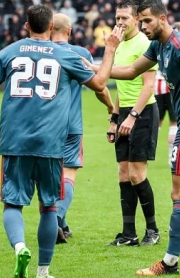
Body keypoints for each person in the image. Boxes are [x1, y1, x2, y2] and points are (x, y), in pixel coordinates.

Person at [0, 4, 123, 278]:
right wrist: (109, 49)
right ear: (51, 27)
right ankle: (43, 270)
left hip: (15, 142)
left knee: (12, 204)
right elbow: (99, 85)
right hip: (52, 143)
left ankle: (19, 247)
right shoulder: (66, 54)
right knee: (49, 206)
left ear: (26, 25)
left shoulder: (9, 52)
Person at [86, 0, 180, 276]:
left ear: (163, 18)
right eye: (142, 20)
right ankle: (170, 260)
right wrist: (96, 68)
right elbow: (130, 72)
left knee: (179, 194)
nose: (143, 25)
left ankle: (169, 263)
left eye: (147, 20)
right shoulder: (157, 45)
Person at [51, 13, 114, 244]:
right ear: (69, 31)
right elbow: (99, 87)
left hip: (43, 127)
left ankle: (63, 225)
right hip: (71, 125)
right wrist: (110, 107)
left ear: (49, 30)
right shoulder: (80, 53)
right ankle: (56, 219)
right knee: (68, 175)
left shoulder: (39, 52)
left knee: (51, 177)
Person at [105, 0, 160, 247]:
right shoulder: (118, 45)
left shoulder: (146, 44)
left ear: (136, 19)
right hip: (126, 113)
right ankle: (129, 234)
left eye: (124, 18)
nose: (120, 22)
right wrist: (115, 118)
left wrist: (132, 116)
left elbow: (149, 86)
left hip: (144, 112)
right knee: (123, 174)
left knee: (138, 175)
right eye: (117, 18)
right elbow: (120, 86)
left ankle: (153, 230)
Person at [155, 21, 180, 166]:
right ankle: (171, 156)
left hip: (157, 90)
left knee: (157, 123)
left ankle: (148, 150)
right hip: (172, 91)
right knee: (174, 123)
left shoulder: (162, 45)